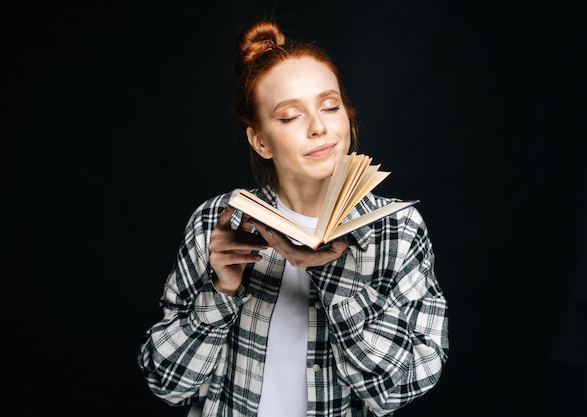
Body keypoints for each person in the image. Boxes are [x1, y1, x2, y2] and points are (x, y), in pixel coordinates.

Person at [138, 18, 449, 417]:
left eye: (330, 106)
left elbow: (402, 388)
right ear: (261, 140)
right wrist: (222, 291)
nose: (319, 127)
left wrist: (338, 280)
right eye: (289, 116)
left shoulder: (397, 229)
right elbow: (166, 384)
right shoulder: (217, 221)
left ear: (347, 118)